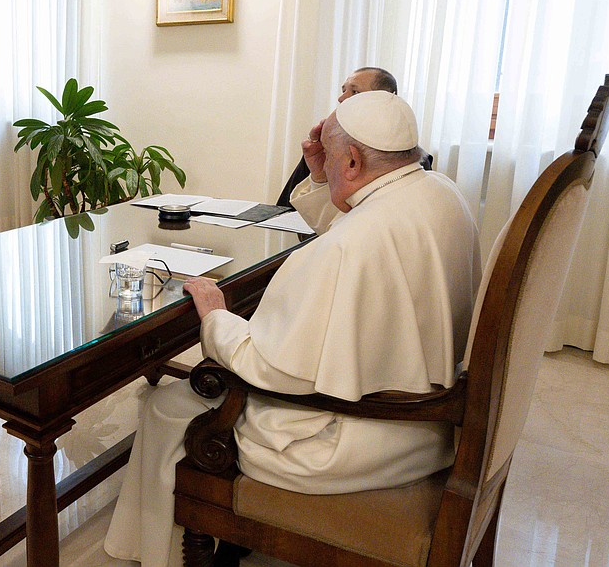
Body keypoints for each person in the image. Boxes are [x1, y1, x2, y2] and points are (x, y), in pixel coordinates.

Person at [104, 91, 481, 567]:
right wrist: (325, 177)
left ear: (353, 159)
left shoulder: (348, 247)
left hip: (353, 442)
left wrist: (218, 316)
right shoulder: (439, 192)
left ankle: (152, 552)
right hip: (429, 424)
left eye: (335, 160)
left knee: (167, 405)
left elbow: (271, 366)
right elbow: (358, 216)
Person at [276, 67, 398, 207]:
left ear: (382, 101)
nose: (341, 98)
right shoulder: (322, 150)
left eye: (355, 92)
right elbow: (285, 210)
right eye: (343, 91)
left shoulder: (403, 158)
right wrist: (319, 179)